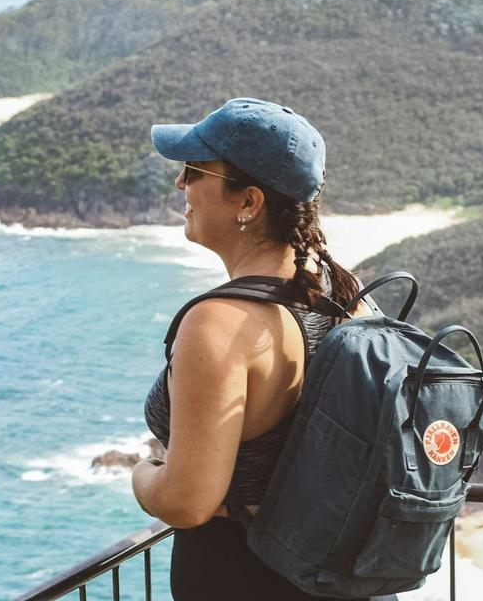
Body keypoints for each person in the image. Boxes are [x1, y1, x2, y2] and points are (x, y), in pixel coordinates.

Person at [131, 97, 384, 601]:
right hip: (338, 579)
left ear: (248, 202)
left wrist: (143, 473)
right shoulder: (344, 293)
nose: (181, 184)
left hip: (248, 579)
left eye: (193, 170)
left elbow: (187, 502)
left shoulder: (219, 323)